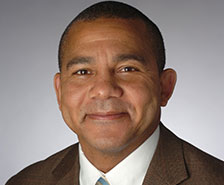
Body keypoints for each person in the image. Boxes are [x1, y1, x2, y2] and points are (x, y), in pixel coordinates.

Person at [6, 1, 224, 185]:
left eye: (127, 69)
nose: (103, 90)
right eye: (83, 71)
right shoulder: (26, 181)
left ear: (164, 87)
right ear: (59, 91)